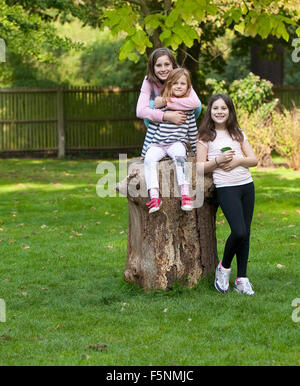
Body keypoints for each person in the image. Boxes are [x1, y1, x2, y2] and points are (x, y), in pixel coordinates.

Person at [196, 94, 258, 295]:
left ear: (230, 111)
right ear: (210, 112)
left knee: (245, 233)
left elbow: (254, 160)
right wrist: (218, 160)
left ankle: (242, 279)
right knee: (238, 231)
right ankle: (223, 267)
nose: (220, 112)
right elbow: (199, 168)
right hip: (226, 187)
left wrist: (238, 161)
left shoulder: (237, 133)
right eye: (216, 108)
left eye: (224, 108)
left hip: (246, 186)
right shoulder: (205, 137)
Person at [143, 68, 198, 214]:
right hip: (158, 144)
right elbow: (152, 130)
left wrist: (196, 150)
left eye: (182, 83)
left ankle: (185, 194)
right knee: (149, 160)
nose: (179, 86)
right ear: (169, 85)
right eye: (175, 83)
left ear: (188, 87)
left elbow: (192, 132)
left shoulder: (189, 110)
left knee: (180, 156)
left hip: (176, 143)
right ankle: (154, 196)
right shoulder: (161, 108)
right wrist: (144, 151)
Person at [136, 47, 201, 159]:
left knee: (197, 107)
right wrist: (166, 116)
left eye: (167, 64)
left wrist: (166, 102)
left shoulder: (181, 77)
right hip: (159, 124)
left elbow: (195, 103)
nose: (163, 69)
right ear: (152, 67)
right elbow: (140, 111)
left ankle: (182, 138)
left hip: (181, 120)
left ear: (173, 65)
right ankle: (158, 142)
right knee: (152, 105)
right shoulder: (148, 81)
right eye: (158, 65)